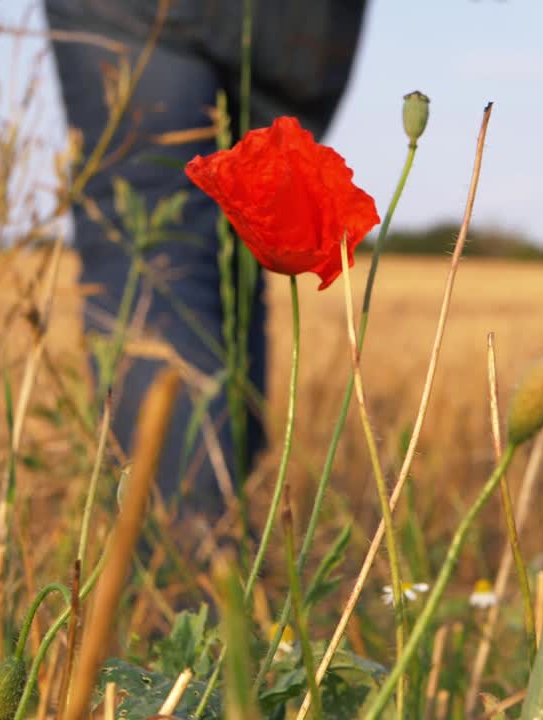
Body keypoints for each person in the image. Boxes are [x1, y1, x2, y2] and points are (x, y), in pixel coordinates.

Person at [44, 0, 369, 530]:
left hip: (147, 14)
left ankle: (188, 581)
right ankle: (228, 553)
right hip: (307, 26)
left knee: (152, 256)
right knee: (234, 240)